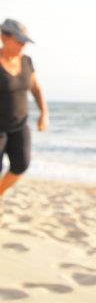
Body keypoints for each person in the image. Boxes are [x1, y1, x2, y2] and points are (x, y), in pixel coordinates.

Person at [0, 18, 49, 196]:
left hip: (20, 124)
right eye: (19, 41)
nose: (22, 46)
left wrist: (44, 113)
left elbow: (36, 89)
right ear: (4, 37)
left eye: (25, 42)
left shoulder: (27, 61)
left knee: (21, 165)